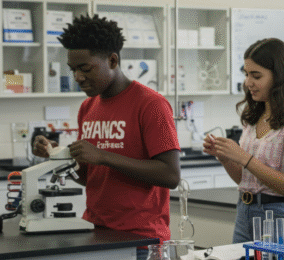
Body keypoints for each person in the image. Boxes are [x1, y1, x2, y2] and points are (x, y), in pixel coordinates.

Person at [32, 14, 181, 244]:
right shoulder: (88, 107)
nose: (78, 77)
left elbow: (170, 175)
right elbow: (89, 177)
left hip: (141, 237)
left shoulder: (151, 104)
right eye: (73, 69)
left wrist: (103, 156)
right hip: (95, 230)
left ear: (112, 60)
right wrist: (58, 156)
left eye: (85, 68)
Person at [204, 38, 284, 243]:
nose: (248, 82)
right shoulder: (255, 113)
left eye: (256, 76)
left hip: (282, 218)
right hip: (245, 212)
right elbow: (246, 180)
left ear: (279, 76)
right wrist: (226, 157)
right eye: (246, 74)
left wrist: (244, 158)